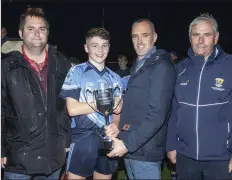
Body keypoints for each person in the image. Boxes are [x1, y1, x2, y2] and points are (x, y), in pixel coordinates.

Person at [1, 8, 71, 179]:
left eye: (42, 29)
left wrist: (67, 139)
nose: (37, 33)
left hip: (52, 155)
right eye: (30, 29)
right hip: (17, 156)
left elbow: (68, 104)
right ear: (20, 33)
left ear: (47, 32)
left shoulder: (62, 62)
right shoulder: (6, 66)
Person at [166, 13, 232, 179]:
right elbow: (174, 110)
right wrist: (171, 145)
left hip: (220, 158)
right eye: (196, 35)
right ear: (190, 38)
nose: (201, 40)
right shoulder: (180, 69)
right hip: (185, 155)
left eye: (207, 35)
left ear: (216, 37)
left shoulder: (231, 65)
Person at [107, 19, 176, 179]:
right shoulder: (139, 65)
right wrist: (118, 125)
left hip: (145, 151)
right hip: (133, 148)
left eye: (145, 35)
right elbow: (136, 107)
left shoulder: (161, 66)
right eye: (134, 36)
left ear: (155, 37)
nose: (139, 41)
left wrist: (127, 144)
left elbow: (158, 114)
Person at [60, 27, 123, 180]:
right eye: (94, 45)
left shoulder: (115, 77)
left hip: (107, 138)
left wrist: (115, 125)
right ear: (86, 48)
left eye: (104, 45)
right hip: (83, 138)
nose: (100, 50)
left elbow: (118, 111)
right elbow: (72, 109)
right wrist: (103, 103)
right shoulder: (76, 71)